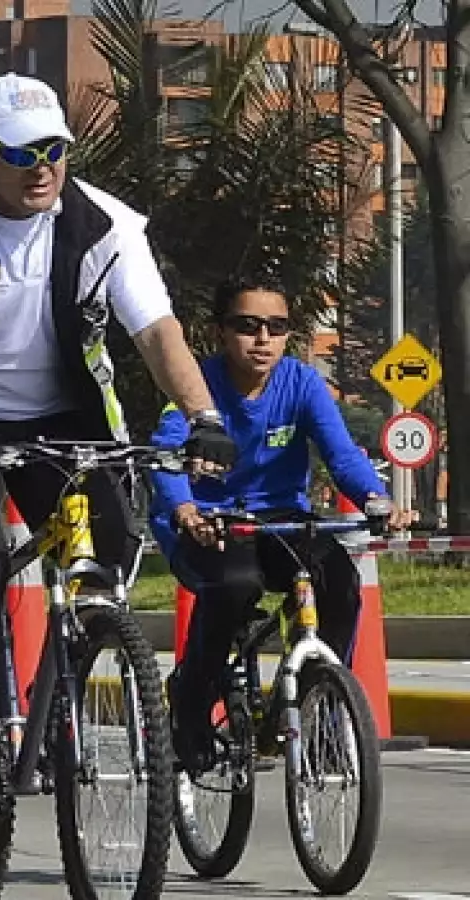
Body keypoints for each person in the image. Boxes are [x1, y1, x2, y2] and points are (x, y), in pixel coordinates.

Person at [0, 72, 237, 814]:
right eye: (21, 153)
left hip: (66, 411)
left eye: (55, 150)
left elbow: (158, 334)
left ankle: (61, 686)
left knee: (111, 548)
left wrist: (205, 417)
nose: (42, 169)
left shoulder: (106, 224)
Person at [151, 277, 410, 772]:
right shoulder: (195, 384)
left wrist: (377, 500)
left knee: (339, 579)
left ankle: (318, 707)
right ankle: (192, 698)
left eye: (277, 326)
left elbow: (342, 456)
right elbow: (165, 455)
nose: (263, 339)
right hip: (209, 520)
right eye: (247, 326)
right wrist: (185, 510)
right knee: (235, 584)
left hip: (280, 519)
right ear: (221, 331)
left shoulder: (302, 383)